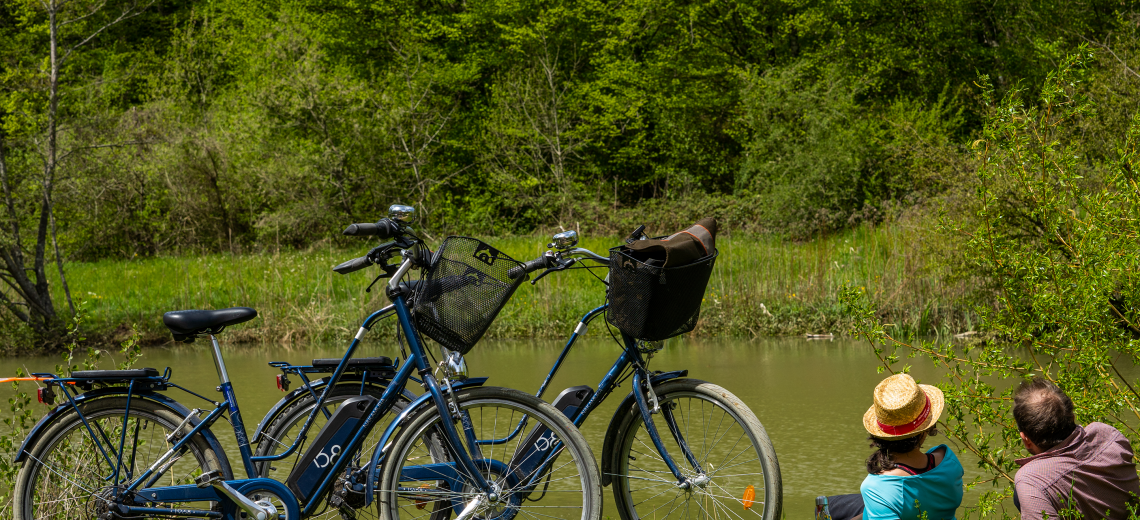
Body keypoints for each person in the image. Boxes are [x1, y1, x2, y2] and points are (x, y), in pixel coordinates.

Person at [824, 373, 964, 520]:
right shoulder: (948, 462)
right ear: (925, 429)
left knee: (830, 507)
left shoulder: (876, 488)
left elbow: (890, 497)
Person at [1013, 378, 1140, 519]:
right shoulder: (1107, 434)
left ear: (1026, 439)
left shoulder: (1031, 480)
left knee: (1019, 495)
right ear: (1072, 418)